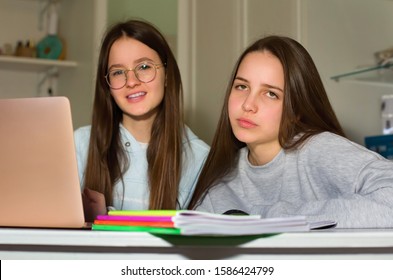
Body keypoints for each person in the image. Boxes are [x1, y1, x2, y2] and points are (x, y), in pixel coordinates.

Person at [188, 35, 393, 228]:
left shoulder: (318, 149)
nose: (248, 105)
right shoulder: (219, 183)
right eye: (242, 87)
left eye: (270, 94)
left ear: (297, 110)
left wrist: (274, 217)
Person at [74, 19, 209, 222]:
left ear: (166, 74)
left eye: (144, 66)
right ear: (107, 85)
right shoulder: (80, 144)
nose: (131, 81)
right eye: (118, 72)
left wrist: (105, 217)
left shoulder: (199, 158)